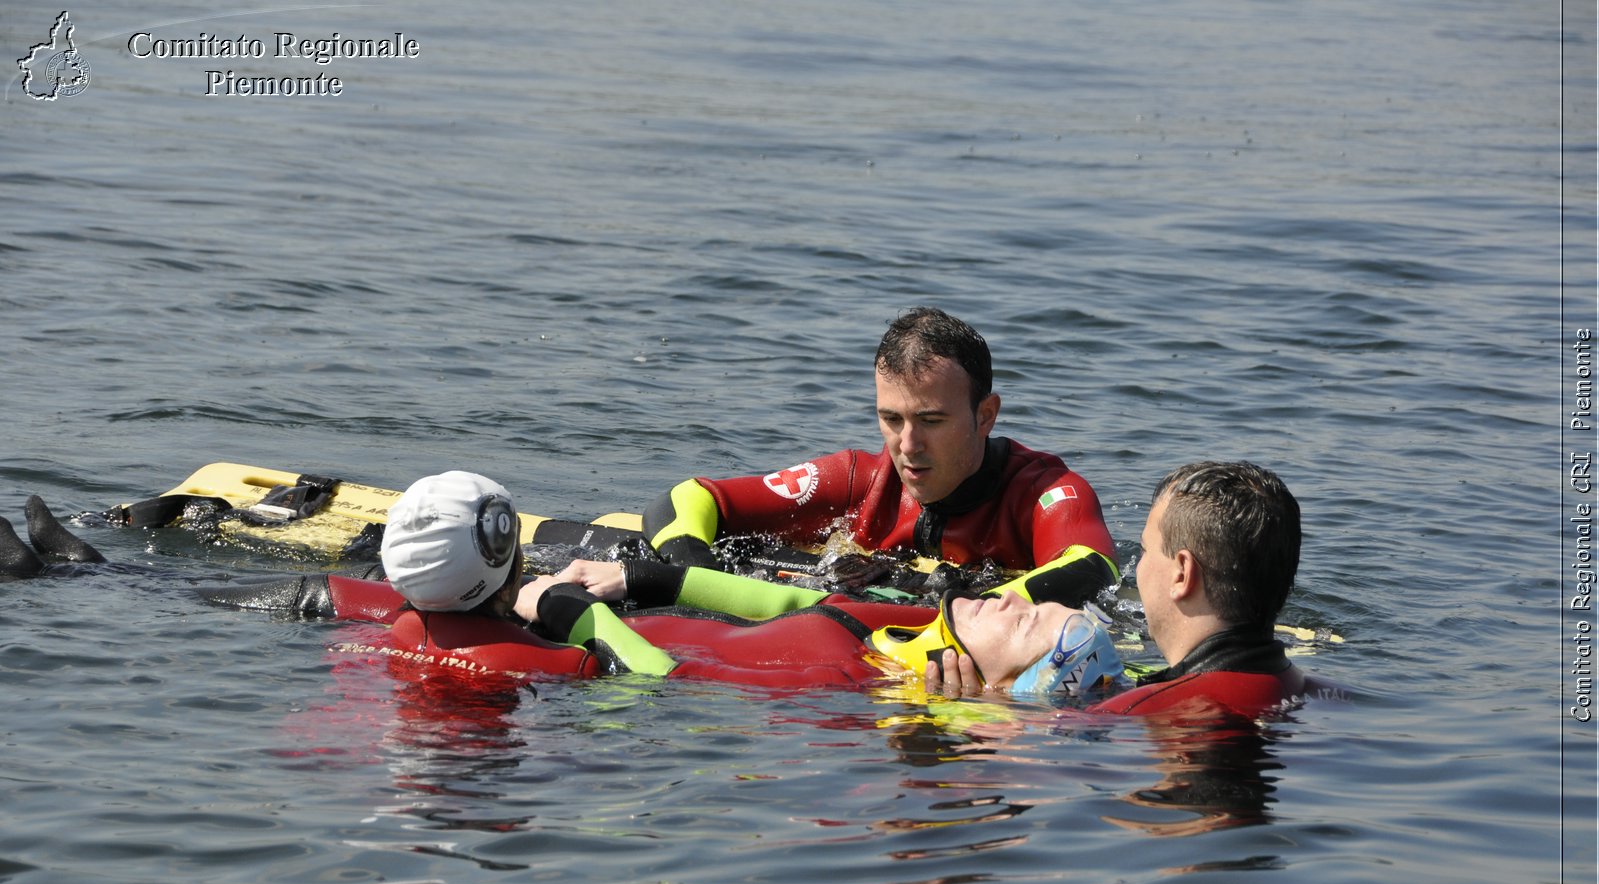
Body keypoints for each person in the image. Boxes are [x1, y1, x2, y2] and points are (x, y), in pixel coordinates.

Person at [236, 471, 1126, 704]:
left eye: (1028, 622)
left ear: (1014, 681)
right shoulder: (904, 625)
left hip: (593, 674)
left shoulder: (894, 700)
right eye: (1029, 596)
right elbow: (779, 604)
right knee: (349, 600)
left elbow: (656, 681)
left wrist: (581, 620)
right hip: (600, 637)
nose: (1012, 596)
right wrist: (638, 576)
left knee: (408, 633)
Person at [640, 307, 1118, 608]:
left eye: (931, 421)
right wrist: (702, 578)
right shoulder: (859, 481)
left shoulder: (1045, 493)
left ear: (985, 415)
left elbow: (1091, 567)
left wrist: (964, 607)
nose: (907, 446)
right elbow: (689, 497)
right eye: (891, 419)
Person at [1057, 461, 1341, 717]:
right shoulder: (1330, 696)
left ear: (1182, 573)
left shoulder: (1133, 713)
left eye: (1144, 550)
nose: (1138, 567)